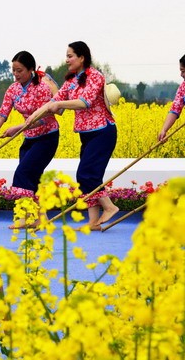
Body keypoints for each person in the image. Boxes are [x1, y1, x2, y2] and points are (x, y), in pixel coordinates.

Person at [27, 41, 119, 230]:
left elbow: (84, 102)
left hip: (103, 132)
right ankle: (93, 222)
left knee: (86, 173)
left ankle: (109, 207)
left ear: (82, 57)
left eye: (70, 56)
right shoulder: (71, 80)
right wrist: (31, 119)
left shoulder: (95, 76)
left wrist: (59, 105)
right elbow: (54, 102)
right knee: (87, 176)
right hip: (86, 134)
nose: (67, 60)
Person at [0, 51, 60, 228]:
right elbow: (2, 114)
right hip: (29, 137)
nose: (16, 74)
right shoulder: (13, 89)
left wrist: (18, 128)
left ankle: (23, 218)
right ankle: (39, 219)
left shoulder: (42, 89)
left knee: (23, 174)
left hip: (47, 137)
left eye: (20, 70)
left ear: (31, 69)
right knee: (33, 178)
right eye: (13, 70)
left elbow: (43, 118)